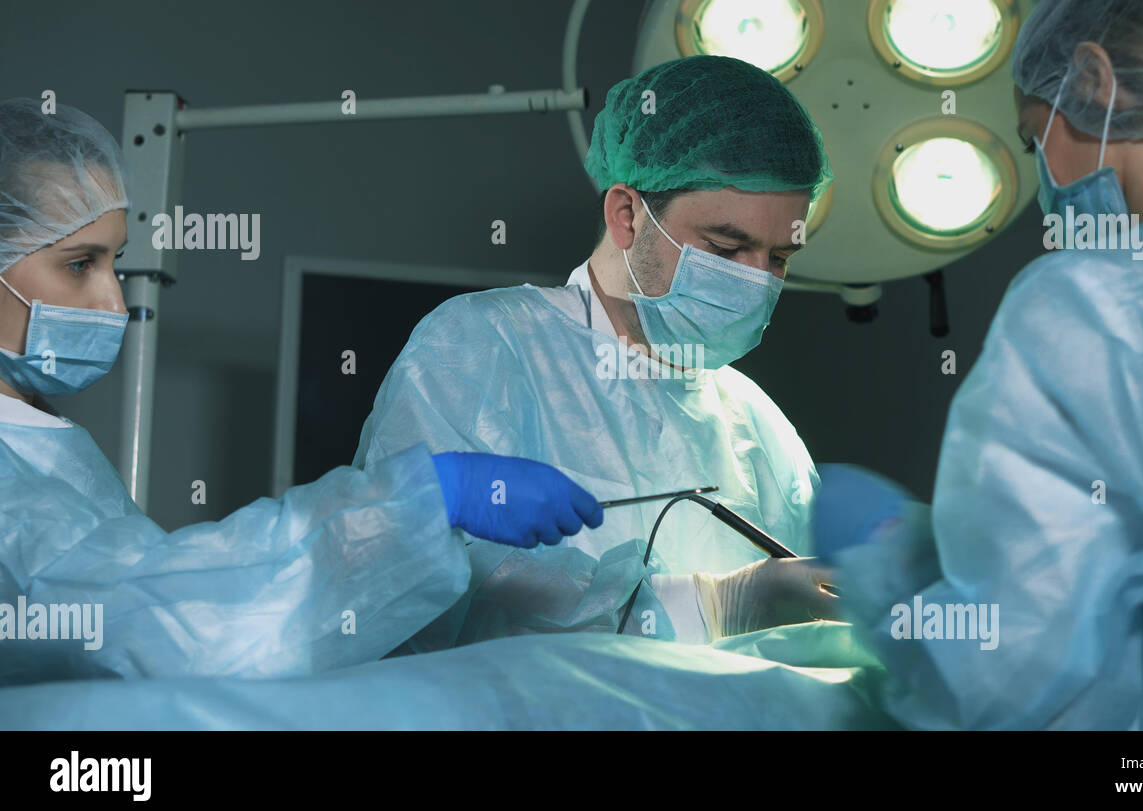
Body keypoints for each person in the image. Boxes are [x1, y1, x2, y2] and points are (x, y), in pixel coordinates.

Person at [0, 98, 602, 686]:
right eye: (80, 264)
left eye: (117, 263)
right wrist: (419, 503)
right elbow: (163, 619)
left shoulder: (39, 440)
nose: (114, 303)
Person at [815, 0, 1143, 729]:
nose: (1046, 186)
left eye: (1034, 139)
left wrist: (886, 568)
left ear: (1094, 80)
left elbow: (1001, 669)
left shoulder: (1093, 302)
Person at [355, 55, 840, 649]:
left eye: (780, 259)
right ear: (627, 215)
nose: (756, 280)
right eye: (724, 248)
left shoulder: (763, 430)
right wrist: (715, 606)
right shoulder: (482, 349)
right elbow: (408, 606)